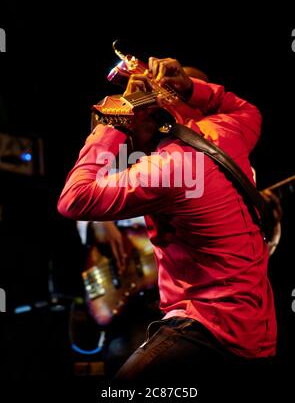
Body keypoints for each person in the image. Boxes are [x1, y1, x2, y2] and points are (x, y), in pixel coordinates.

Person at [57, 56, 277, 384]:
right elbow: (247, 109)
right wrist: (191, 89)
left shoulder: (167, 170)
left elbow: (73, 199)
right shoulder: (228, 132)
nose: (128, 136)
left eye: (133, 122)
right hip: (255, 333)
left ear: (153, 115)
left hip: (208, 326)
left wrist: (116, 116)